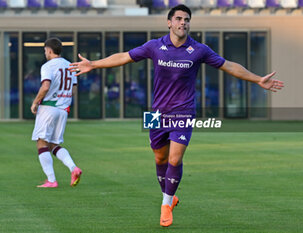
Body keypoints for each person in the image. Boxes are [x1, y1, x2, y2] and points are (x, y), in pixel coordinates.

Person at [69, 4, 284, 227]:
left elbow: (228, 65)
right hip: (156, 114)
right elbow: (124, 57)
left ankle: (165, 204)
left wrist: (257, 79)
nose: (183, 23)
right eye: (179, 19)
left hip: (184, 112)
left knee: (174, 159)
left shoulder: (199, 50)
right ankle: (170, 195)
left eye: (187, 19)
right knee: (159, 159)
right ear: (169, 22)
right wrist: (93, 64)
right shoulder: (154, 46)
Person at [31, 37, 82, 188]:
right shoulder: (69, 65)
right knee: (53, 144)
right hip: (63, 110)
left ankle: (51, 180)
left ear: (49, 50)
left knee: (41, 142)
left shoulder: (48, 66)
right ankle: (74, 168)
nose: (45, 53)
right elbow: (73, 90)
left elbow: (45, 86)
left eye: (45, 50)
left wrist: (35, 102)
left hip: (48, 107)